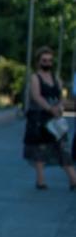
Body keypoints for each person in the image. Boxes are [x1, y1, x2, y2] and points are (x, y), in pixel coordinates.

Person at [23, 46, 76, 190]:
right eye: (44, 60)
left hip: (55, 118)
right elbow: (36, 95)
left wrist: (59, 106)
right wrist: (49, 108)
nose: (47, 63)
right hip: (39, 118)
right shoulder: (35, 78)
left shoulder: (56, 78)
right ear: (38, 61)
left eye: (49, 60)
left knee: (63, 147)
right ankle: (40, 180)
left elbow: (61, 96)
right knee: (39, 149)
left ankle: (73, 180)